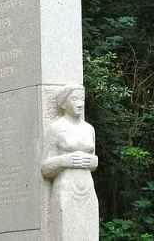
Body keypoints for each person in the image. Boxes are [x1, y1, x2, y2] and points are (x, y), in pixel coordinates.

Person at [41, 85, 99, 241]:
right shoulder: (56, 128)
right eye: (74, 99)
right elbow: (45, 168)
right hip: (66, 187)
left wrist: (93, 161)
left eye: (82, 99)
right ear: (63, 103)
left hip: (87, 187)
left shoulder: (89, 129)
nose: (80, 103)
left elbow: (93, 162)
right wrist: (64, 160)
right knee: (66, 233)